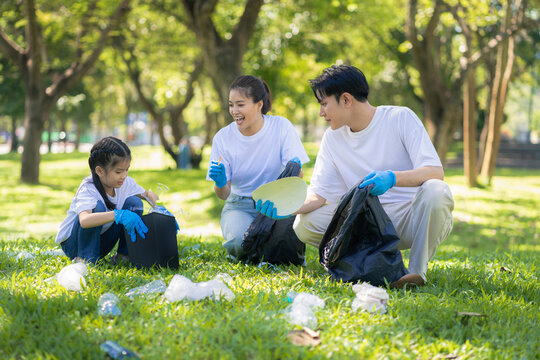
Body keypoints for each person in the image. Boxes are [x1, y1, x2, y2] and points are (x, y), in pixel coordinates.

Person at [292, 64, 454, 288]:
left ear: (346, 100)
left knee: (437, 191)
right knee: (305, 223)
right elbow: (320, 195)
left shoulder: (400, 118)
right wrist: (286, 207)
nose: (321, 113)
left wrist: (392, 178)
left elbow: (435, 172)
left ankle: (416, 272)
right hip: (366, 222)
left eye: (324, 104)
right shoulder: (333, 138)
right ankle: (361, 261)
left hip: (409, 217)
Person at [207, 75, 310, 257]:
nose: (234, 111)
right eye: (231, 104)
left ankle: (267, 247)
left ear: (259, 104)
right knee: (240, 244)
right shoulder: (222, 138)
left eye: (240, 104)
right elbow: (223, 195)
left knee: (287, 252)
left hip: (275, 202)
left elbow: (297, 175)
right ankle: (261, 248)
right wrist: (221, 182)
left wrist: (294, 170)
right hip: (239, 205)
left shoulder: (281, 127)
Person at [55, 136, 158, 263]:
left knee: (134, 203)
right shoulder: (88, 188)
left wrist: (158, 208)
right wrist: (118, 214)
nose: (124, 176)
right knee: (98, 208)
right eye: (118, 172)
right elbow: (85, 220)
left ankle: (124, 255)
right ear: (99, 171)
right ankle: (85, 259)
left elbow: (147, 195)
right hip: (75, 245)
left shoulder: (125, 183)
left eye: (127, 170)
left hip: (101, 242)